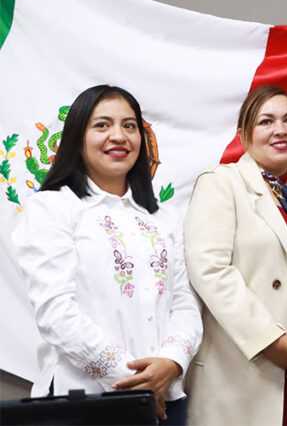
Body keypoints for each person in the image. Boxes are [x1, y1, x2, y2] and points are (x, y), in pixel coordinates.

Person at [12, 85, 202, 424]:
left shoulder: (163, 217)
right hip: (85, 402)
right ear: (76, 138)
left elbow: (185, 304)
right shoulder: (51, 207)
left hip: (168, 401)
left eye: (129, 126)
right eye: (102, 125)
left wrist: (171, 363)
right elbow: (56, 312)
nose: (119, 136)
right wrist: (134, 384)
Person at [184, 85, 287, 425]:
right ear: (244, 133)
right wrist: (272, 342)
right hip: (244, 370)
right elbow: (210, 271)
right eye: (266, 121)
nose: (281, 130)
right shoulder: (221, 183)